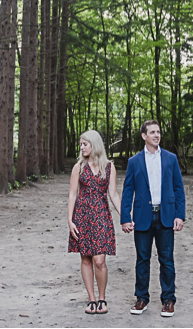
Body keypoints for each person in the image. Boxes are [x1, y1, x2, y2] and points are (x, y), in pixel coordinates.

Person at [120, 120, 186, 317]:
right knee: (142, 259)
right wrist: (125, 217)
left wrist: (179, 215)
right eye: (152, 132)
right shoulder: (134, 162)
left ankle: (168, 300)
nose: (157, 135)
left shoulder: (170, 159)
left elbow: (178, 188)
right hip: (142, 217)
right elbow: (127, 191)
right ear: (144, 136)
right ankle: (141, 298)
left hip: (166, 216)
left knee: (167, 260)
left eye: (158, 132)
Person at [68, 129, 121, 315]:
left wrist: (124, 216)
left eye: (85, 144)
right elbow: (73, 194)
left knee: (99, 260)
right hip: (82, 215)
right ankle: (91, 299)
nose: (82, 147)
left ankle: (102, 298)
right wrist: (70, 220)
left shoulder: (109, 166)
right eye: (81, 144)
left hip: (101, 215)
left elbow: (113, 194)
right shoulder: (78, 167)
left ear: (94, 144)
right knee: (85, 258)